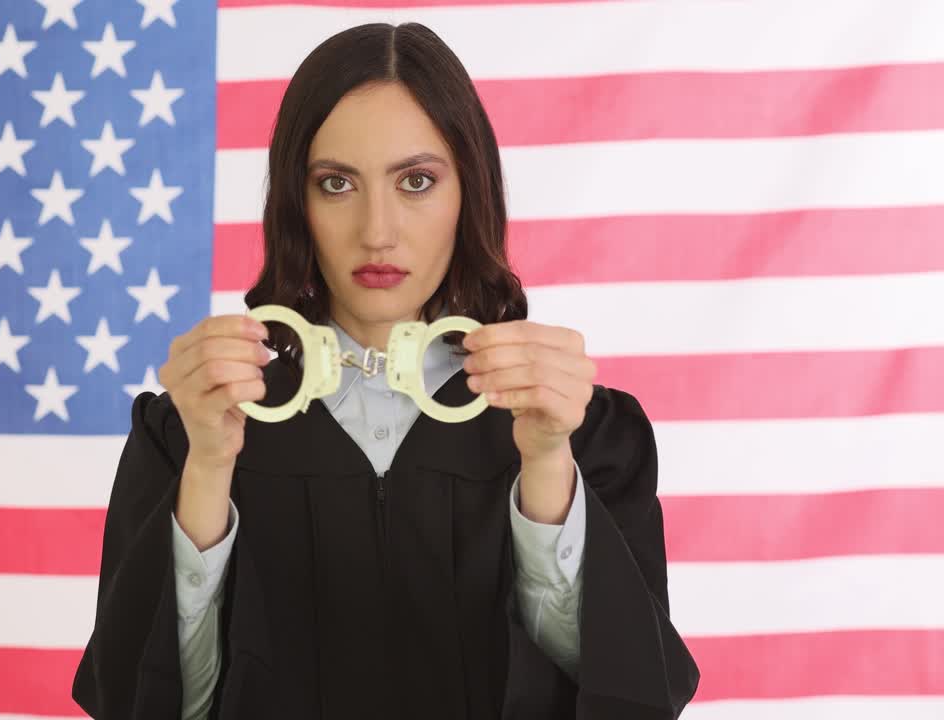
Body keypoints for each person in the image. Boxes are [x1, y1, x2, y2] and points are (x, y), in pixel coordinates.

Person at [72, 22, 700, 720]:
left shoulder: (583, 430)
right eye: (336, 183)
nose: (377, 231)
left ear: (469, 194)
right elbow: (145, 702)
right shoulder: (190, 430)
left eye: (416, 181)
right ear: (297, 203)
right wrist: (210, 466)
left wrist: (548, 461)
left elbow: (626, 695)